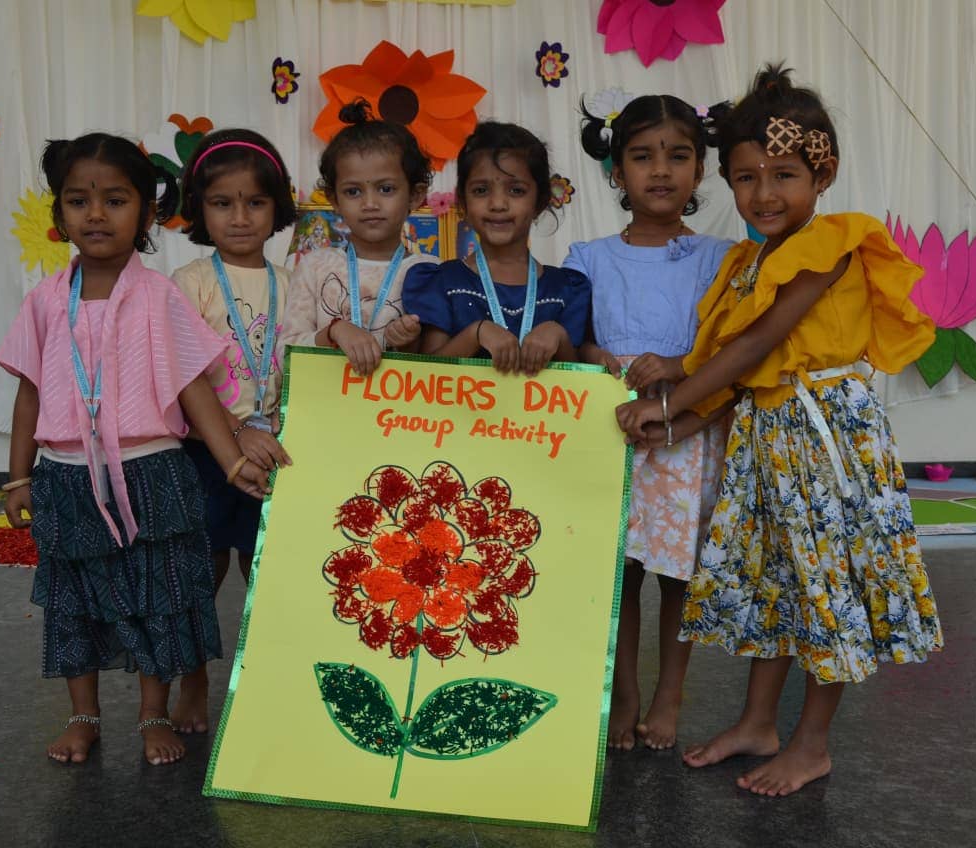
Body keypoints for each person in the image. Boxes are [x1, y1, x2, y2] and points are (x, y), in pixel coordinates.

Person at [617, 65, 943, 795]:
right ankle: (758, 723)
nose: (764, 194)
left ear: (821, 177)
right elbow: (732, 372)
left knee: (825, 587)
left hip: (827, 441)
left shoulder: (826, 245)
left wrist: (670, 406)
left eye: (785, 174)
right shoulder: (745, 263)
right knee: (780, 587)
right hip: (769, 443)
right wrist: (682, 416)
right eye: (745, 177)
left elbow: (755, 347)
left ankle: (812, 743)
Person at [0, 133, 269, 766]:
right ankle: (84, 715)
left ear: (146, 215)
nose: (96, 214)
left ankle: (153, 715)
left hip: (153, 473)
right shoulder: (43, 301)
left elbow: (193, 387)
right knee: (74, 598)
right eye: (78, 201)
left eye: (115, 200)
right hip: (66, 479)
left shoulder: (159, 297)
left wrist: (230, 461)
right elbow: (29, 396)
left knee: (161, 596)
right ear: (58, 214)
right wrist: (17, 480)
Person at [566, 94, 734, 750]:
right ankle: (624, 690)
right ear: (616, 169)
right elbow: (574, 336)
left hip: (684, 432)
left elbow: (726, 353)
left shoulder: (719, 260)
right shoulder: (588, 256)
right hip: (612, 430)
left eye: (678, 156)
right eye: (642, 156)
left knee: (676, 576)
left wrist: (678, 373)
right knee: (621, 574)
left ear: (700, 171)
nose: (660, 170)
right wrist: (593, 356)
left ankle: (670, 691)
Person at [169, 128, 296, 734]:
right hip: (204, 454)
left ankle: (267, 678)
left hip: (275, 450)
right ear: (199, 210)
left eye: (255, 202)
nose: (240, 217)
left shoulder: (292, 284)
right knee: (204, 570)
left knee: (265, 571)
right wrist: (234, 434)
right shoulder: (189, 284)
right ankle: (194, 677)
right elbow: (183, 376)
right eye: (222, 203)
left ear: (278, 208)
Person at [403, 121, 589, 375]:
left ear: (540, 201)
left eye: (516, 190)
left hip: (541, 416)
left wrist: (560, 338)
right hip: (459, 416)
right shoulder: (442, 282)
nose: (498, 203)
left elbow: (583, 388)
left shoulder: (566, 290)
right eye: (481, 190)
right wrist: (475, 334)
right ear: (463, 203)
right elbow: (428, 376)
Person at [282, 100, 434, 374]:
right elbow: (284, 357)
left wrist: (411, 344)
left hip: (398, 416)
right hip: (325, 413)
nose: (370, 203)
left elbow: (444, 366)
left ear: (415, 194)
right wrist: (333, 333)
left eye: (386, 189)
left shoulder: (432, 271)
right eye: (353, 192)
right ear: (334, 199)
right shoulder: (314, 266)